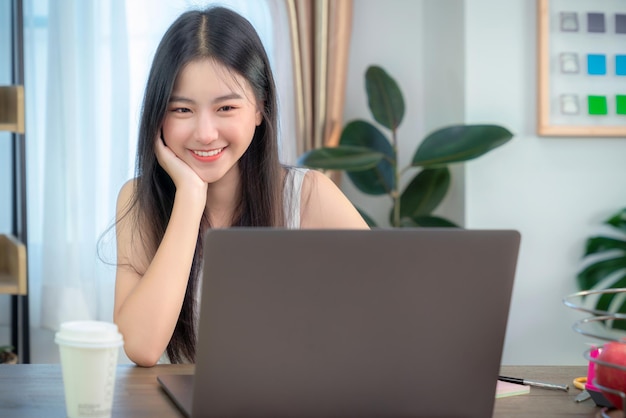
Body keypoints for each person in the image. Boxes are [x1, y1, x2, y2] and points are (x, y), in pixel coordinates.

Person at [113, 6, 368, 367]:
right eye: (182, 110)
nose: (204, 133)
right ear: (157, 116)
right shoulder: (140, 202)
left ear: (260, 108)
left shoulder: (308, 194)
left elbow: (390, 311)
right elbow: (141, 346)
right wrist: (189, 197)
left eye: (226, 108)